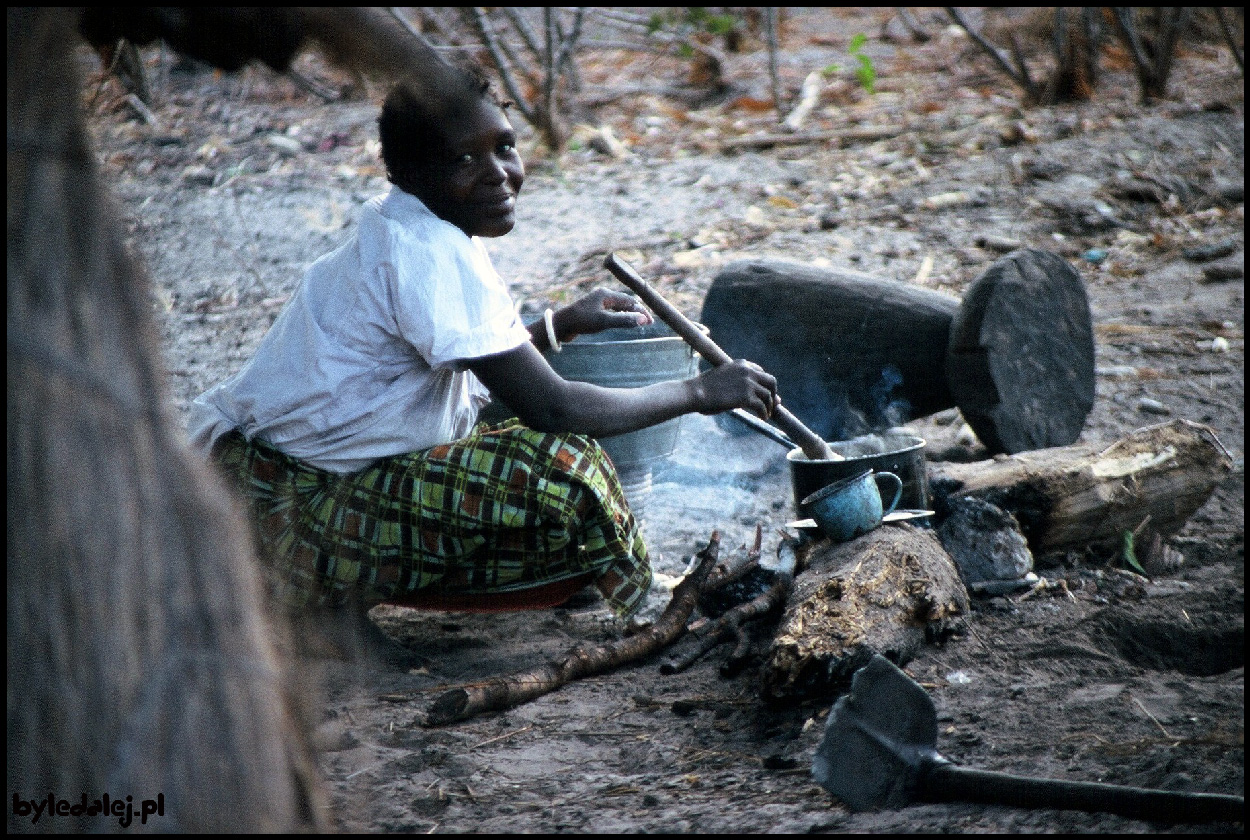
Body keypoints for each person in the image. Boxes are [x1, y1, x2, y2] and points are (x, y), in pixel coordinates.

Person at [187, 61, 778, 634]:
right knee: (565, 470)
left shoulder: (414, 228)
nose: (497, 172)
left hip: (282, 486)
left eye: (504, 146)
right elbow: (552, 408)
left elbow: (476, 358)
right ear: (405, 173)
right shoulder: (427, 251)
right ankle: (320, 601)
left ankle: (332, 598)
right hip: (289, 507)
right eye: (463, 159)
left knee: (531, 459)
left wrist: (560, 324)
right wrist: (700, 390)